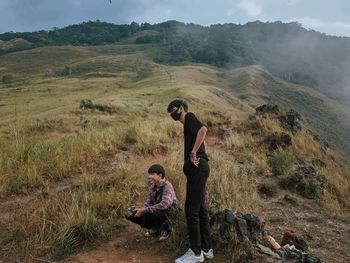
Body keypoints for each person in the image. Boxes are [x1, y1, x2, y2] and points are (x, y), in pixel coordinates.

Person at [167, 99, 214, 263]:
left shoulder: (189, 117)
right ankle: (207, 249)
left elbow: (203, 129)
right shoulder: (187, 125)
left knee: (191, 210)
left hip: (198, 168)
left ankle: (196, 253)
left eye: (173, 110)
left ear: (181, 108)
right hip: (200, 168)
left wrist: (194, 152)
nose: (171, 114)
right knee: (201, 208)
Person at [126, 164, 177, 241]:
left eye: (152, 174)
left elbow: (165, 204)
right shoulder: (152, 188)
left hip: (169, 212)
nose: (149, 176)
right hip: (156, 211)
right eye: (149, 174)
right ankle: (155, 228)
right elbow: (148, 204)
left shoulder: (167, 186)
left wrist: (144, 210)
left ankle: (166, 229)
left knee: (158, 213)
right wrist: (137, 210)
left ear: (160, 175)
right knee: (132, 215)